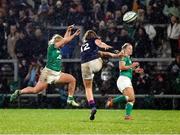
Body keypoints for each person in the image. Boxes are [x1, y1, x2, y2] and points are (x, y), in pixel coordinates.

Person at [10, 25, 80, 107]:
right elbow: (65, 40)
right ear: (57, 41)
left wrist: (68, 31)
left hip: (50, 72)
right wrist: (74, 35)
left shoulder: (56, 48)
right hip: (51, 73)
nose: (63, 44)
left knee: (35, 90)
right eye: (61, 41)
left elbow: (65, 40)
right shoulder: (53, 46)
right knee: (72, 80)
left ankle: (19, 92)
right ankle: (70, 99)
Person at [80, 30, 123, 120]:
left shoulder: (84, 46)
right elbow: (102, 46)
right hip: (94, 63)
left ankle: (93, 106)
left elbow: (100, 52)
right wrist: (114, 50)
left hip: (84, 64)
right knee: (103, 57)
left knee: (88, 88)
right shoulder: (94, 40)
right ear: (94, 36)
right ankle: (106, 67)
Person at [105, 43, 144, 120]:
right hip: (123, 79)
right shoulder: (123, 57)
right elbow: (121, 67)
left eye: (132, 49)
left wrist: (135, 70)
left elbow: (127, 68)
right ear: (125, 49)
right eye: (129, 48)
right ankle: (112, 101)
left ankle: (127, 116)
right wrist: (132, 66)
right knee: (130, 97)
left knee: (132, 99)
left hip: (126, 79)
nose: (131, 50)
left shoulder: (128, 58)